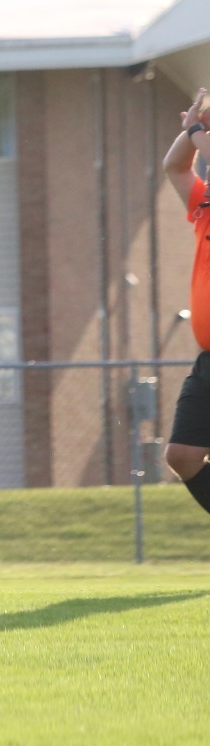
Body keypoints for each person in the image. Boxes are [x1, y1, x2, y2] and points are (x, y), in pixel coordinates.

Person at [160, 88, 210, 514]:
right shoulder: (205, 206)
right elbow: (174, 167)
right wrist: (192, 131)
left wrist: (198, 129)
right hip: (209, 357)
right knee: (182, 455)